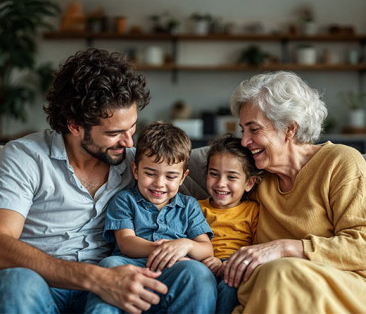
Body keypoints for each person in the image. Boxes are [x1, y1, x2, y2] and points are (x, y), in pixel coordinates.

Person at [0, 48, 168, 314]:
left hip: (113, 291)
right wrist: (95, 278)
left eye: (132, 128)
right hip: (42, 288)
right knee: (18, 282)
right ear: (75, 126)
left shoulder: (138, 165)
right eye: (114, 133)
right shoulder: (25, 158)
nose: (128, 142)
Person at [224, 70, 366, 313]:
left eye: (254, 129)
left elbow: (362, 245)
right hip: (272, 289)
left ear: (289, 129)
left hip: (343, 286)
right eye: (242, 130)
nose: (245, 141)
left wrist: (285, 248)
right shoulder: (255, 178)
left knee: (280, 272)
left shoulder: (340, 162)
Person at [85, 120, 217, 313]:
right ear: (136, 170)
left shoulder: (189, 206)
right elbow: (126, 242)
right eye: (150, 173)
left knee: (198, 272)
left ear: (183, 177)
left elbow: (207, 249)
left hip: (175, 268)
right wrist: (163, 248)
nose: (159, 184)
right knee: (109, 265)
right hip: (131, 265)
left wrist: (184, 245)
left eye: (170, 177)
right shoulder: (124, 200)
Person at [199, 134, 262, 314]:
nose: (221, 183)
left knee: (230, 285)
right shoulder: (195, 208)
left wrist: (229, 264)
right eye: (214, 174)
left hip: (235, 267)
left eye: (231, 177)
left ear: (249, 183)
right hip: (202, 265)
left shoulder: (253, 211)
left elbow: (259, 246)